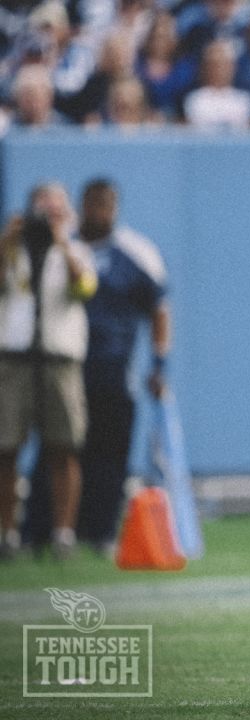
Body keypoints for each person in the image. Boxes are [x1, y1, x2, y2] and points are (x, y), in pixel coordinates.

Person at [0, 182, 97, 560]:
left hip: (60, 359)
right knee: (6, 448)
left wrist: (61, 241)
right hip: (15, 359)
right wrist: (8, 242)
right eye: (43, 211)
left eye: (56, 211)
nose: (48, 218)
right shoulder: (13, 250)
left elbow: (85, 288)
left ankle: (63, 534)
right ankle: (7, 534)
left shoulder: (79, 249)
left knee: (64, 447)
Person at [75, 178, 171, 553]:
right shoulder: (66, 247)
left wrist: (159, 363)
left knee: (110, 453)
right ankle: (57, 529)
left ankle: (102, 530)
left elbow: (159, 310)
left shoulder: (136, 251)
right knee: (65, 450)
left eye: (107, 204)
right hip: (65, 366)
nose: (100, 211)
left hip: (115, 368)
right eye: (94, 203)